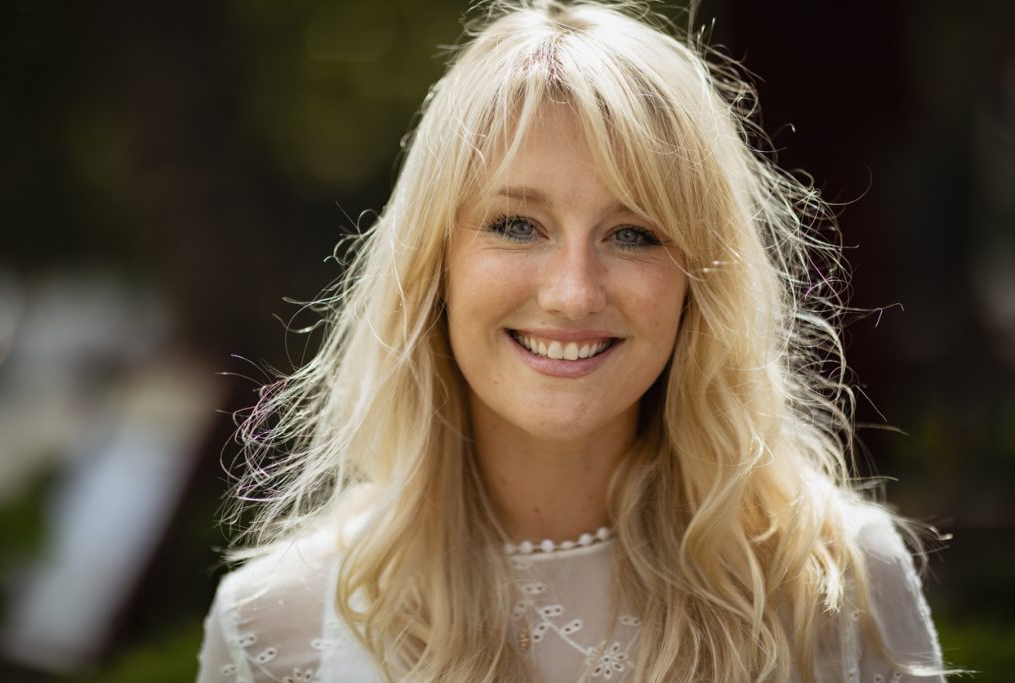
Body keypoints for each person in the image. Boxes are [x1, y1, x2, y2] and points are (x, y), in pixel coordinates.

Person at [196, 1, 948, 681]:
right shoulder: (275, 621)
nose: (573, 291)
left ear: (698, 283)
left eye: (633, 233)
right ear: (435, 263)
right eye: (517, 225)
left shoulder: (837, 584)